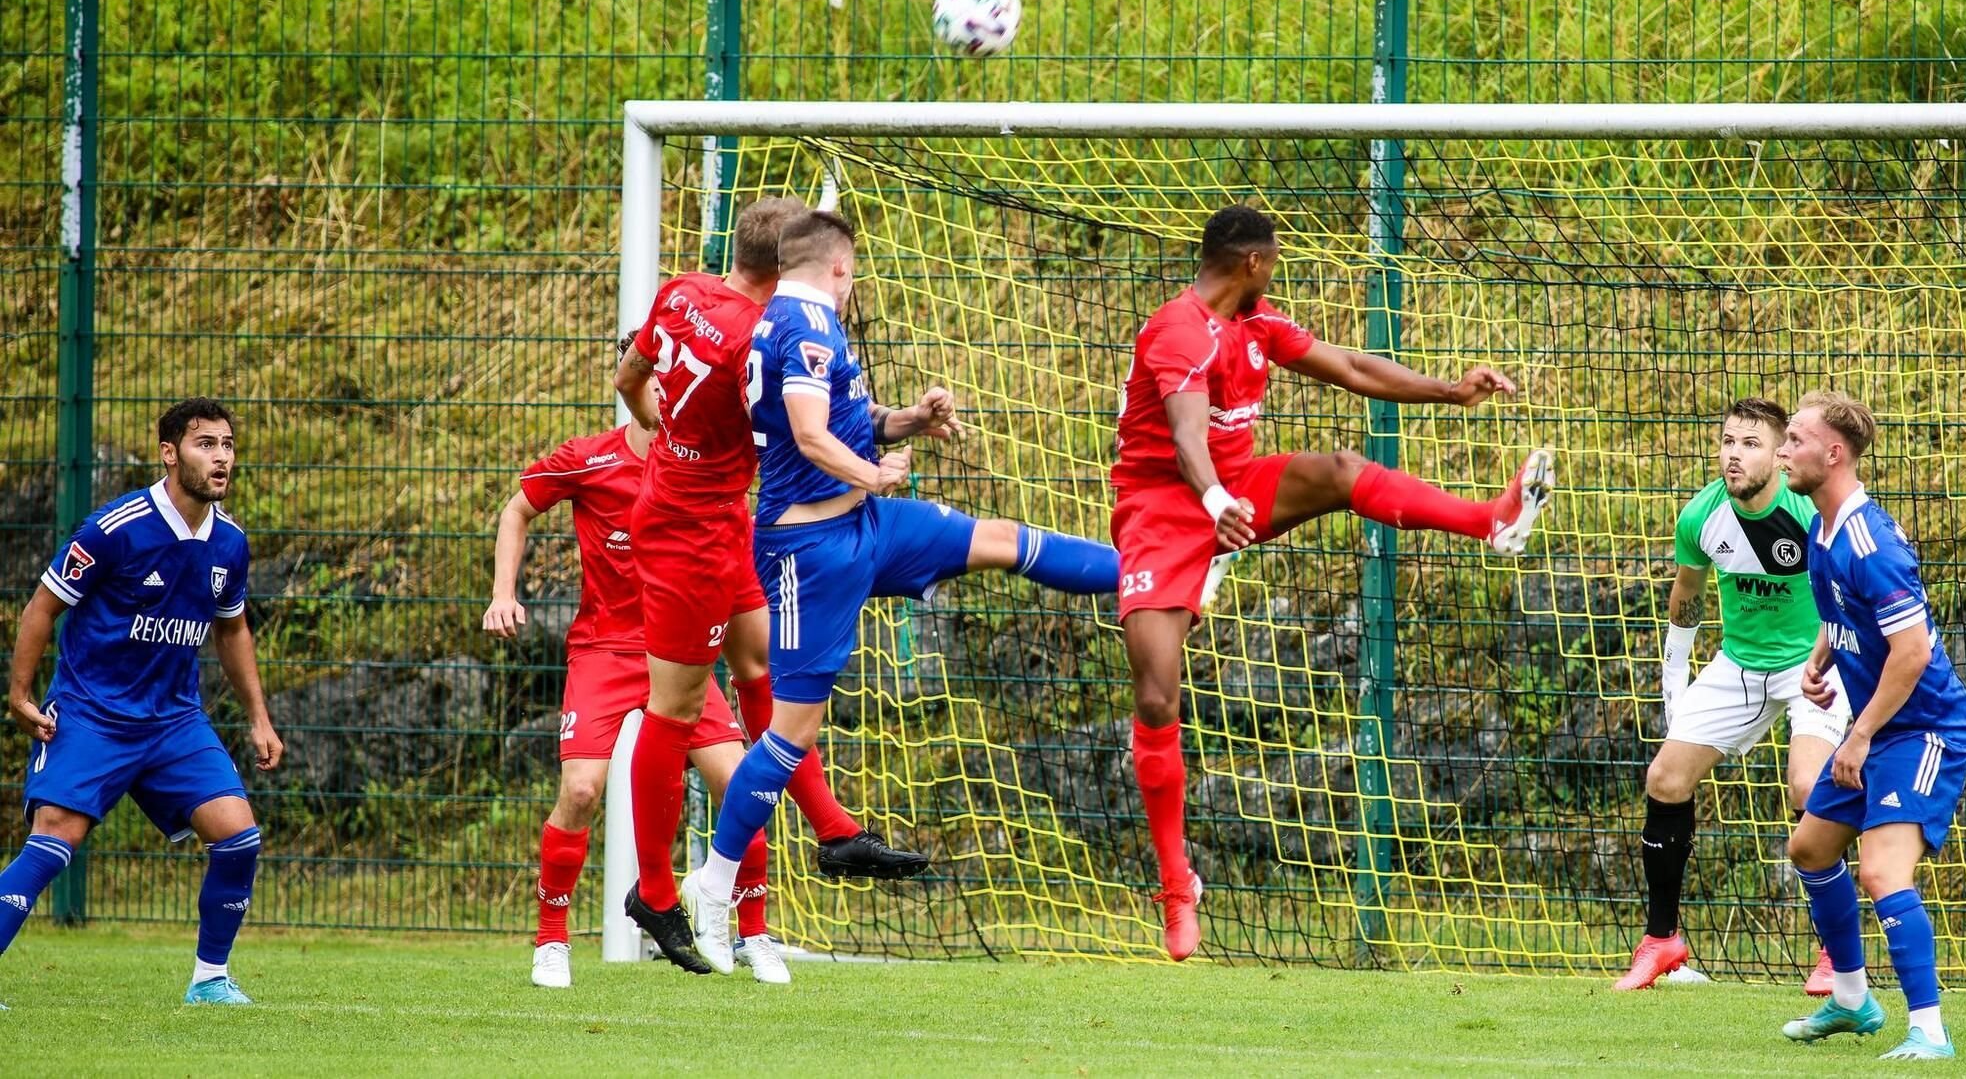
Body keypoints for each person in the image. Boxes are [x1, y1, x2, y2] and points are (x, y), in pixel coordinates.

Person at [678, 208, 1121, 974]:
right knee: (788, 738)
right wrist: (874, 471)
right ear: (841, 269)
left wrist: (907, 422)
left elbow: (844, 421)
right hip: (808, 550)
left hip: (867, 525)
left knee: (1000, 540)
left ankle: (1150, 574)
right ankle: (712, 886)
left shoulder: (800, 319)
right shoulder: (807, 326)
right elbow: (812, 435)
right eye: (855, 276)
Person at [1112, 205, 1553, 960]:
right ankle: (1176, 882)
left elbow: (1352, 367)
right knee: (1156, 694)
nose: (1276, 269)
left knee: (1343, 470)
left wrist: (1450, 390)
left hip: (1236, 487)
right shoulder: (1180, 330)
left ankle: (1493, 520)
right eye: (1275, 258)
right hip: (1162, 507)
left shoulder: (1257, 323)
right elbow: (1187, 435)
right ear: (1251, 261)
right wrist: (1216, 507)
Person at [610, 198, 922, 982]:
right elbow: (823, 427)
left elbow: (629, 377)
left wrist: (667, 444)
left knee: (762, 671)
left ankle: (832, 828)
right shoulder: (763, 333)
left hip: (717, 520)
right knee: (673, 710)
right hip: (688, 536)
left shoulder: (681, 291)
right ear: (788, 268)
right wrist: (886, 449)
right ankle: (652, 891)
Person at [486, 334, 800, 986]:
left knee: (742, 783)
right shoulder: (589, 458)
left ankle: (754, 931)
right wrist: (502, 594)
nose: (669, 393)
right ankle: (552, 939)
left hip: (682, 652)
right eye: (658, 379)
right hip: (604, 649)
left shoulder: (707, 465)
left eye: (679, 382)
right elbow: (517, 508)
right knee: (580, 789)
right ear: (633, 384)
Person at [2, 398, 283, 1006]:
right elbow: (42, 608)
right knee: (53, 840)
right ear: (169, 453)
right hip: (92, 713)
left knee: (238, 836)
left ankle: (210, 980)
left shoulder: (230, 542)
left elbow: (232, 628)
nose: (221, 457)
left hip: (174, 720)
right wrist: (20, 696)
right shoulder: (113, 529)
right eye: (205, 444)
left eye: (228, 445)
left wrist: (259, 717)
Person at [1615, 398, 1848, 994]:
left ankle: (1836, 952)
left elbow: (1849, 593)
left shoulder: (1809, 510)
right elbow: (1684, 599)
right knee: (1665, 779)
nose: (1734, 454)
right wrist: (1676, 688)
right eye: (1726, 441)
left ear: (1779, 453)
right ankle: (1662, 941)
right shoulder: (1700, 517)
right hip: (1738, 664)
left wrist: (1837, 660)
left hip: (1813, 663)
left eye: (1750, 443)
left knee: (1805, 786)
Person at [1775, 392, 1966, 1061]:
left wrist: (1857, 734)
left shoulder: (1872, 542)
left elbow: (1912, 650)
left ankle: (1930, 1030)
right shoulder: (1822, 529)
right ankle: (1855, 998)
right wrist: (1818, 658)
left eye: (1796, 438)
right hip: (1878, 724)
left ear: (1833, 453)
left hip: (1924, 729)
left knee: (1882, 871)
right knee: (1810, 848)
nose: (1783, 448)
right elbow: (1844, 615)